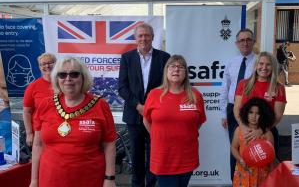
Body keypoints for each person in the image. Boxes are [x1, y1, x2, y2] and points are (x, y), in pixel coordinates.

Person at [30, 57, 117, 187]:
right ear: (56, 79)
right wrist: (34, 180)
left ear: (83, 78)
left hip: (89, 179)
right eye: (62, 74)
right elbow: (37, 145)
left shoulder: (100, 105)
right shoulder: (45, 104)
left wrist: (110, 179)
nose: (68, 79)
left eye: (74, 74)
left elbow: (109, 145)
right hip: (50, 179)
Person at [118, 23, 170, 187]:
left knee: (155, 155)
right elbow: (122, 87)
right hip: (134, 116)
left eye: (147, 35)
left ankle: (152, 184)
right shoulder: (127, 58)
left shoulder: (164, 58)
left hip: (157, 116)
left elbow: (167, 85)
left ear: (153, 37)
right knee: (137, 156)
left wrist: (152, 108)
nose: (143, 39)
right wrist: (139, 106)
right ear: (135, 38)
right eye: (140, 36)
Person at [143, 55, 206, 187]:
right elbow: (146, 121)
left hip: (187, 156)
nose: (176, 70)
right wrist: (159, 135)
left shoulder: (195, 95)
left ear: (186, 73)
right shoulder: (154, 94)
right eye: (172, 66)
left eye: (181, 67)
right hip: (163, 156)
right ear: (166, 71)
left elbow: (198, 122)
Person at [219, 28, 257, 179]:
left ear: (253, 42)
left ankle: (253, 179)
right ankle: (235, 179)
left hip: (252, 112)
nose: (245, 43)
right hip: (232, 109)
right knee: (235, 147)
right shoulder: (231, 63)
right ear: (236, 43)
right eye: (241, 40)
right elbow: (224, 88)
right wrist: (223, 114)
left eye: (248, 39)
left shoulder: (259, 62)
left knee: (252, 145)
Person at [234, 52, 286, 158]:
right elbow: (236, 108)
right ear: (256, 65)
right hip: (245, 132)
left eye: (268, 64)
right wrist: (242, 127)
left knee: (268, 168)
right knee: (243, 165)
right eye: (261, 64)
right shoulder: (243, 84)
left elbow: (278, 115)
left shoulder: (279, 88)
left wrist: (261, 130)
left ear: (273, 67)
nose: (264, 67)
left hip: (266, 132)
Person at [232, 97, 275, 187]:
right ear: (246, 113)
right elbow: (233, 147)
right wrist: (240, 160)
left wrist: (272, 177)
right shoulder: (239, 130)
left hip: (261, 174)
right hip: (242, 171)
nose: (253, 116)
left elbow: (271, 158)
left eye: (258, 113)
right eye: (251, 112)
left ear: (263, 115)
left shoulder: (267, 134)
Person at [23, 53, 57, 147]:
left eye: (50, 63)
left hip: (61, 131)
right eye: (43, 64)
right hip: (40, 133)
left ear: (56, 64)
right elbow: (27, 112)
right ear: (39, 67)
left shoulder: (64, 83)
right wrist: (29, 133)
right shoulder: (33, 86)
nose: (47, 66)